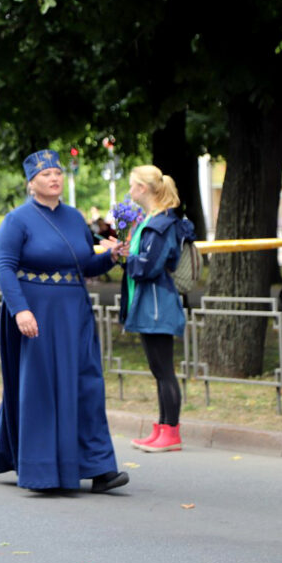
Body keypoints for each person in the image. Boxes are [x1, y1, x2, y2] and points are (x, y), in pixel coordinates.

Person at [0, 149, 128, 493]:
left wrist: (110, 257)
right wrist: (20, 309)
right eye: (45, 174)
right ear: (31, 182)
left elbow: (84, 266)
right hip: (36, 313)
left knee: (86, 385)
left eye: (58, 173)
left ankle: (98, 466)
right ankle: (42, 470)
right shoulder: (17, 220)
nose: (54, 178)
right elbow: (4, 266)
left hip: (74, 314)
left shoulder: (75, 218)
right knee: (41, 388)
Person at [120, 165, 192, 453]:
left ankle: (171, 432)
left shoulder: (161, 224)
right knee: (159, 370)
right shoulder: (151, 221)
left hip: (158, 304)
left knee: (164, 370)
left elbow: (149, 267)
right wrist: (127, 255)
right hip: (151, 303)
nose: (130, 191)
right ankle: (163, 427)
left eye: (132, 185)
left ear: (143, 188)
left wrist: (126, 258)